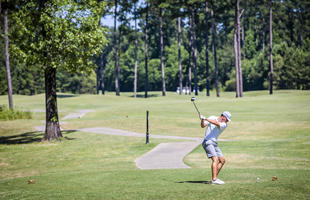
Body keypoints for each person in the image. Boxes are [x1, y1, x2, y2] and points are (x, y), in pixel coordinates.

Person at [200, 111, 231, 185]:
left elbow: (216, 123)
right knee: (215, 159)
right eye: (227, 119)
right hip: (208, 142)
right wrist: (202, 120)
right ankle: (214, 179)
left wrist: (206, 118)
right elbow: (203, 125)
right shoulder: (212, 117)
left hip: (214, 143)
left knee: (222, 160)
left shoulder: (224, 124)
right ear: (223, 117)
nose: (227, 121)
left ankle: (215, 177)